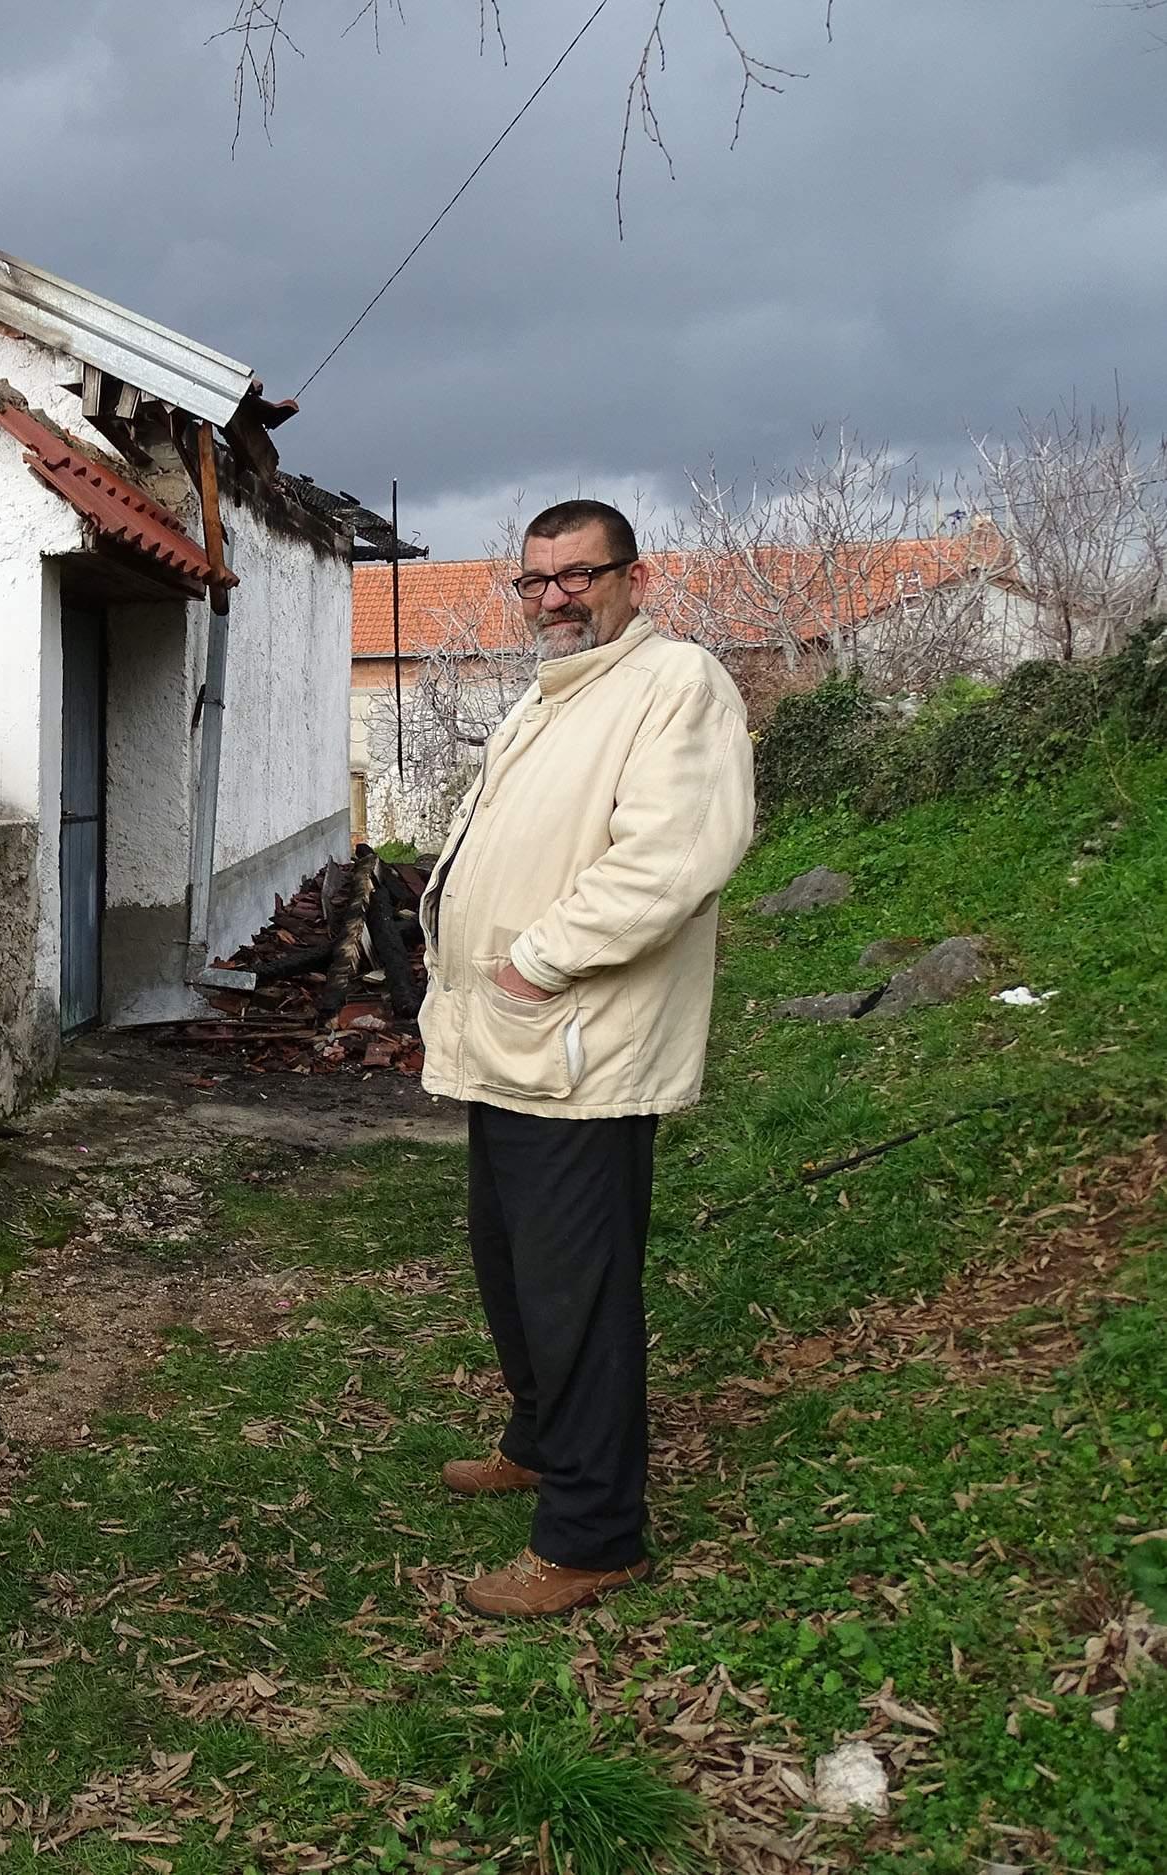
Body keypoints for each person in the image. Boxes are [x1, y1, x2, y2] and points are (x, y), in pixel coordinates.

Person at [416, 498, 754, 1617]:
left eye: (578, 575)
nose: (554, 596)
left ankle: (592, 1534)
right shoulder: (553, 695)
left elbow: (672, 859)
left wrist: (535, 964)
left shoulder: (676, 685)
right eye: (536, 579)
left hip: (579, 1054)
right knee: (512, 1272)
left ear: (634, 578)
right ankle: (537, 1437)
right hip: (508, 1050)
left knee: (578, 1298)